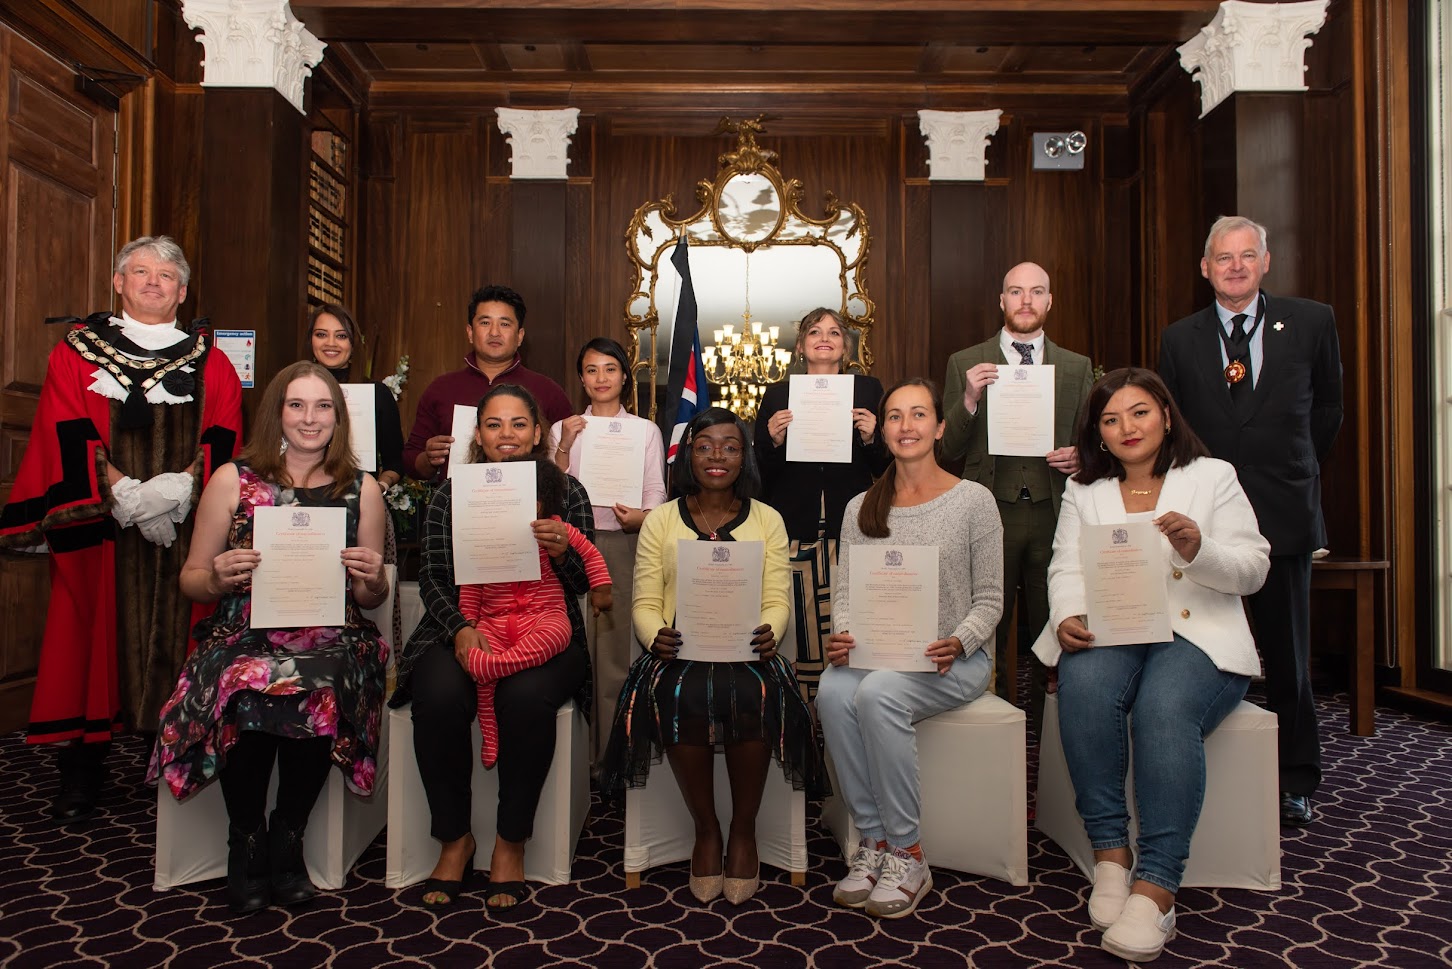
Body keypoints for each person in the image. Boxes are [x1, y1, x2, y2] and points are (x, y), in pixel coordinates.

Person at [0, 235, 243, 821]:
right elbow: (67, 427)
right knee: (92, 637)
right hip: (104, 525)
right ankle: (82, 772)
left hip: (186, 527)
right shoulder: (76, 353)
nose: (153, 282)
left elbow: (224, 432)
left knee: (185, 635)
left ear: (183, 291)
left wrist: (184, 488)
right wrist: (122, 491)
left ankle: (169, 754)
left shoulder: (211, 359)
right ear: (119, 282)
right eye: (140, 271)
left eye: (166, 275)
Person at [1031, 367, 1270, 962]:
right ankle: (1110, 854)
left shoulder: (1212, 477)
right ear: (1098, 433)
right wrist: (1066, 614)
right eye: (1110, 420)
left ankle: (1158, 886)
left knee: (1162, 708)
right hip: (1113, 631)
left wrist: (1198, 549)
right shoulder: (1084, 489)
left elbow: (1254, 568)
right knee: (1082, 685)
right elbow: (1065, 567)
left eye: (1139, 412)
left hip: (1198, 637)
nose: (1126, 427)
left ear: (1165, 413)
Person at [148, 361, 389, 915]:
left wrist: (373, 578)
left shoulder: (363, 489)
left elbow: (372, 598)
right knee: (245, 678)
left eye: (323, 406)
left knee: (319, 682)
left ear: (339, 416)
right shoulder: (234, 479)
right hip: (243, 628)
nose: (310, 418)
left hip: (334, 632)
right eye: (297, 405)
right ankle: (247, 837)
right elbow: (192, 578)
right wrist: (216, 575)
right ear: (277, 412)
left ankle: (288, 834)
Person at [1158, 216, 1343, 828]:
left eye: (1246, 256)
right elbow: (1173, 425)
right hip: (1205, 520)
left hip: (1283, 511)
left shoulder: (1312, 321)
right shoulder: (1179, 338)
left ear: (1265, 262)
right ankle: (1199, 770)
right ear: (1205, 268)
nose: (1234, 266)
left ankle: (1295, 779)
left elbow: (1328, 409)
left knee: (1287, 653)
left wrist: (1290, 465)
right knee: (1199, 646)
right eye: (1222, 257)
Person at [601, 407, 824, 905]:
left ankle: (743, 831)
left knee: (756, 689)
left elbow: (775, 597)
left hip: (748, 652)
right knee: (680, 692)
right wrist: (655, 633)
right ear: (688, 456)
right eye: (705, 446)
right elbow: (644, 600)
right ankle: (707, 831)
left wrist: (772, 630)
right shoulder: (661, 519)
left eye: (729, 446)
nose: (717, 456)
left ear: (744, 457)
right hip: (678, 651)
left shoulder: (768, 519)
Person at [391, 383, 594, 912]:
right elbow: (433, 575)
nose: (507, 435)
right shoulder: (449, 493)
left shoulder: (568, 491)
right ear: (477, 435)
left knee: (525, 699)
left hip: (545, 627)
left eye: (519, 424)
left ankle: (511, 840)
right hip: (459, 623)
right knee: (437, 696)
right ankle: (455, 839)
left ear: (537, 434)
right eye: (494, 425)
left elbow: (584, 582)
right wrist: (460, 627)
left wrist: (560, 551)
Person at [818, 378, 1003, 920]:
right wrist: (847, 634)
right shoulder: (862, 506)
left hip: (956, 661)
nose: (906, 427)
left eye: (918, 415)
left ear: (940, 427)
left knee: (877, 695)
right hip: (881, 654)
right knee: (831, 689)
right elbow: (846, 591)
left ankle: (909, 852)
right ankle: (873, 842)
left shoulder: (974, 501)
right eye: (895, 417)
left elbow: (990, 599)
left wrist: (960, 640)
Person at [941, 261, 1092, 739]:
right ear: (1001, 301)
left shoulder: (1076, 367)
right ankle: (994, 730)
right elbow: (948, 451)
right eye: (1015, 291)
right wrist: (968, 399)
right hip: (990, 513)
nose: (1025, 301)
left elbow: (1097, 441)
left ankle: (1049, 734)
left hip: (1054, 513)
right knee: (985, 627)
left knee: (1054, 626)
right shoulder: (966, 361)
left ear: (1050, 302)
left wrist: (1083, 456)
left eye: (1036, 292)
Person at [754, 308, 890, 691]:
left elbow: (885, 464)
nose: (824, 338)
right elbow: (759, 472)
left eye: (834, 332)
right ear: (801, 346)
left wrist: (870, 437)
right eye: (815, 331)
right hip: (796, 523)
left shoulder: (868, 390)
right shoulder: (778, 394)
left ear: (846, 347)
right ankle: (804, 704)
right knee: (801, 621)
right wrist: (773, 440)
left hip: (852, 523)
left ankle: (847, 697)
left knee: (848, 620)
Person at [548, 337, 666, 772]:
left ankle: (611, 759)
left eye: (610, 369)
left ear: (624, 377)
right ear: (581, 378)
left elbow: (656, 489)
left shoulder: (644, 431)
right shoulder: (565, 427)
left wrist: (644, 516)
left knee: (615, 656)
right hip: (568, 548)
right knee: (570, 650)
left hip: (621, 544)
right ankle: (574, 760)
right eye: (592, 370)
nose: (601, 378)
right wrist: (563, 445)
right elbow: (547, 492)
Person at [458, 456, 613, 769]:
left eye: (535, 497)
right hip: (495, 620)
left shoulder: (557, 529)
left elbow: (591, 554)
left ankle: (495, 667)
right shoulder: (486, 534)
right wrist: (469, 623)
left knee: (558, 633)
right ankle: (491, 733)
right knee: (480, 656)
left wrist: (602, 589)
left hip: (544, 614)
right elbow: (471, 584)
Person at [404, 285, 573, 481]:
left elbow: (570, 458)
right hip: (459, 505)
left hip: (532, 505)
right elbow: (410, 461)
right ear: (469, 332)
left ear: (519, 336)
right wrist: (428, 459)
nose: (494, 332)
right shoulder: (441, 389)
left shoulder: (547, 391)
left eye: (505, 324)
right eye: (485, 322)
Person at [308, 302, 405, 490]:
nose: (330, 343)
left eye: (341, 336)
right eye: (321, 334)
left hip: (361, 500)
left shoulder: (377, 394)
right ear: (310, 340)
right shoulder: (292, 390)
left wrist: (379, 487)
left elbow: (395, 463)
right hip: (303, 498)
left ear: (353, 343)